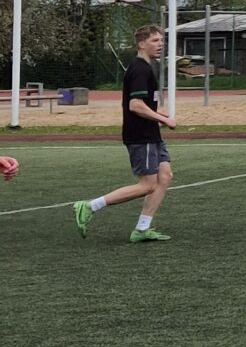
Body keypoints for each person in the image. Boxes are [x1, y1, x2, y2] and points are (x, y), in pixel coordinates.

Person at [73, 22, 177, 244]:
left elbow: (143, 105)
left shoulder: (147, 67)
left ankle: (142, 228)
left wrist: (158, 116)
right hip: (141, 136)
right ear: (141, 44)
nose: (160, 44)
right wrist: (164, 119)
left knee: (165, 176)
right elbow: (135, 105)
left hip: (151, 134)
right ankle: (89, 206)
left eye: (161, 40)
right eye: (155, 40)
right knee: (147, 185)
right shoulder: (140, 69)